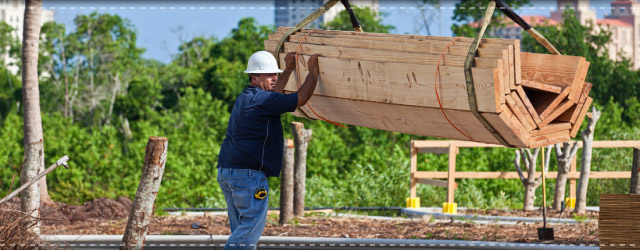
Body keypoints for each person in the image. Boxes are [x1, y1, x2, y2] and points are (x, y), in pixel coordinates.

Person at [217, 51, 320, 250]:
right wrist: (313, 73)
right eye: (269, 74)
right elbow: (300, 99)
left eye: (276, 73)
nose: (274, 77)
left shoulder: (248, 97)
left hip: (228, 172)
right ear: (254, 77)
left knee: (241, 231)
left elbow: (273, 96)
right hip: (248, 176)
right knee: (248, 232)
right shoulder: (263, 101)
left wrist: (288, 69)